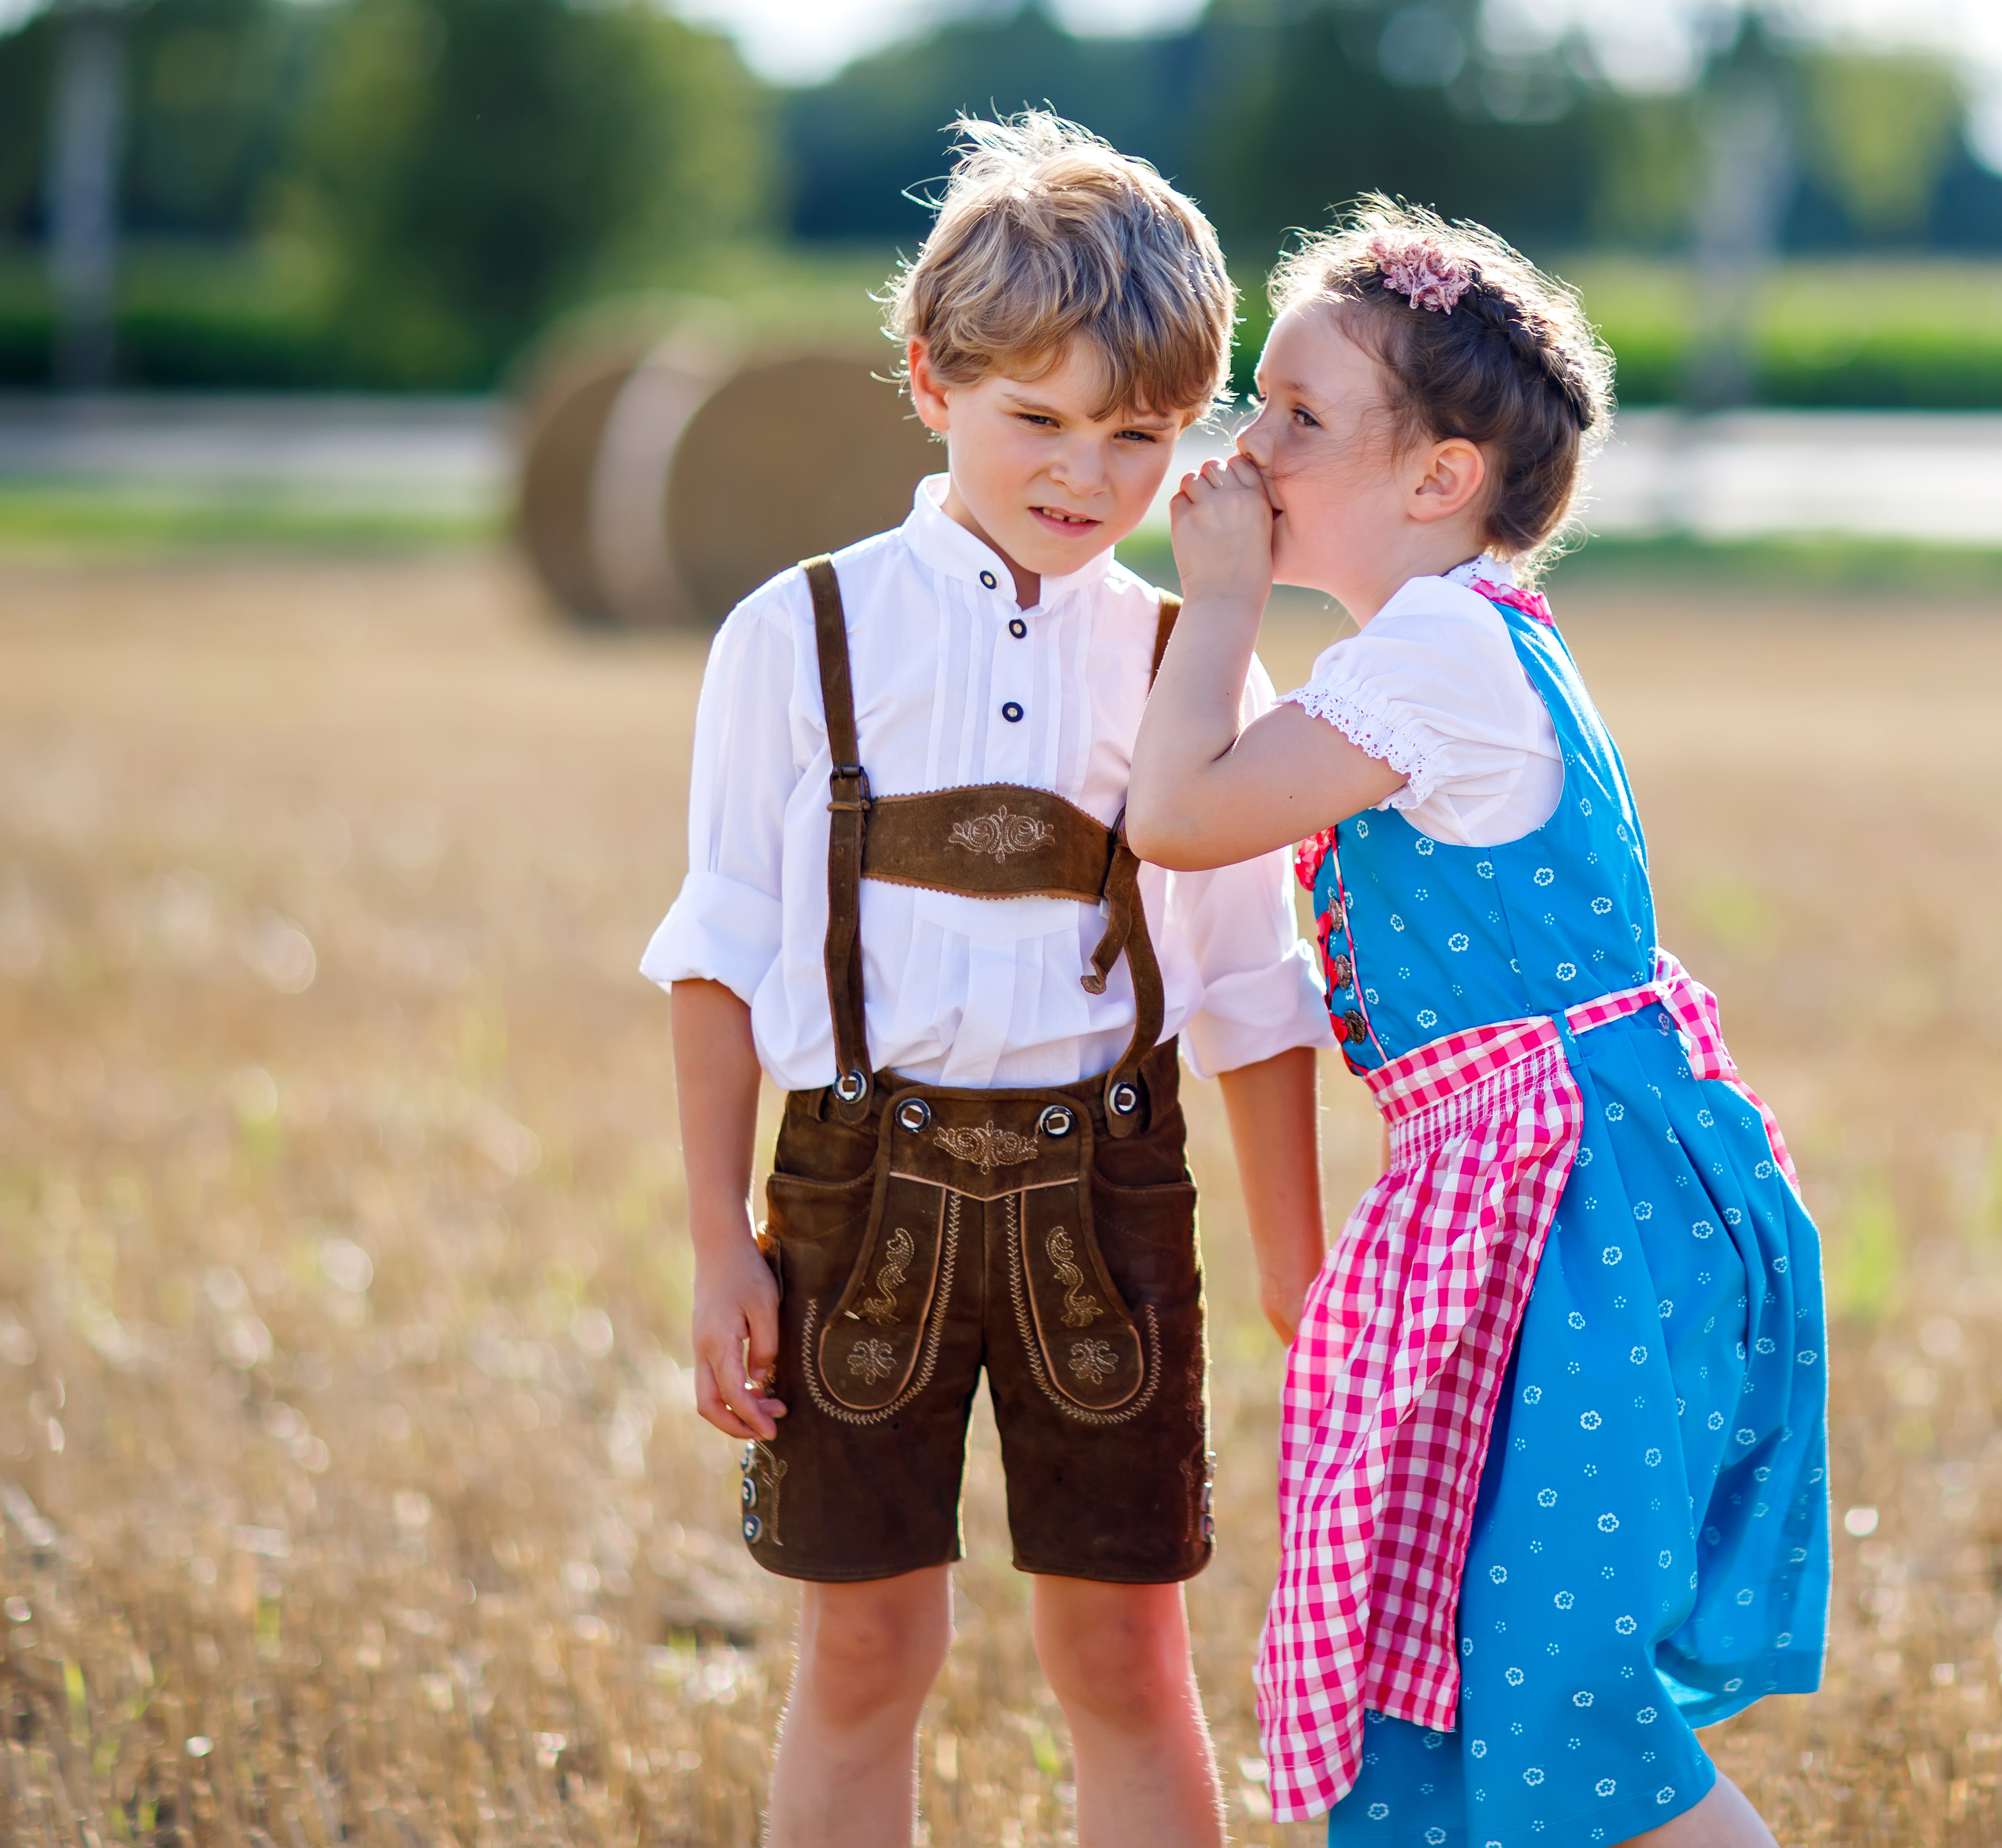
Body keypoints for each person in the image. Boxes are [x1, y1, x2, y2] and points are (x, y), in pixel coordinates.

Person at [645, 112, 1331, 1848]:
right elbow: (721, 958)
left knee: (1127, 1659)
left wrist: (1295, 1272)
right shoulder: (795, 636)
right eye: (1039, 418)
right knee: (868, 1648)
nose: (1084, 475)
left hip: (1107, 1192)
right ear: (930, 379)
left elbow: (1252, 989)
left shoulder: (1186, 657)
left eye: (1138, 436)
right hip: (857, 1186)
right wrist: (723, 1240)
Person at [1126, 200, 1829, 1847]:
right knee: (1456, 1653)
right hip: (1550, 1192)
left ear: (1439, 480)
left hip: (1572, 1210)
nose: (1251, 446)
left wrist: (1213, 602)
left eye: (1299, 418)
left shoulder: (1436, 651)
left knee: (1549, 1681)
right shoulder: (1463, 639)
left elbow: (1177, 811)